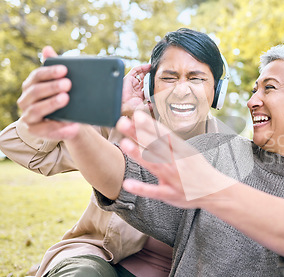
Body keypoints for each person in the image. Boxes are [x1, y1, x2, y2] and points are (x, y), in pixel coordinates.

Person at [22, 42, 284, 276]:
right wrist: (75, 127)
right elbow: (127, 182)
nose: (252, 101)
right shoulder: (220, 151)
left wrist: (211, 188)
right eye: (253, 89)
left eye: (269, 88)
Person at [0, 27, 229, 277]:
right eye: (169, 78)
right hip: (97, 258)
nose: (182, 89)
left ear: (217, 90)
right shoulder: (122, 123)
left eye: (196, 78)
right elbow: (15, 144)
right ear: (151, 84)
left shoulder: (231, 154)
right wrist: (109, 106)